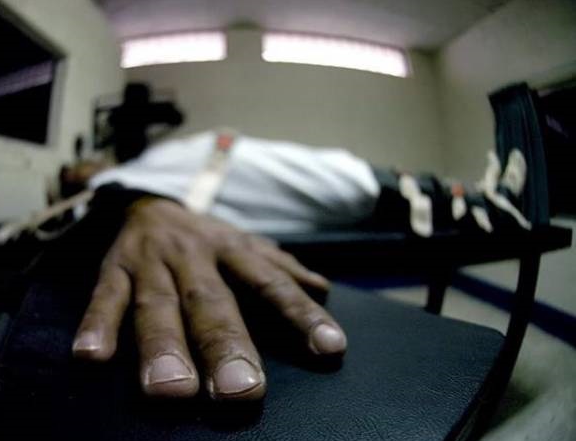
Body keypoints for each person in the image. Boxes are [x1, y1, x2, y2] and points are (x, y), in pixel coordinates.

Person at [65, 130, 530, 402]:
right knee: (353, 189)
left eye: (85, 164)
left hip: (258, 159)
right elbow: (103, 208)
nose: (83, 168)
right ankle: (473, 201)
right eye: (73, 174)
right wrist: (143, 208)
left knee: (352, 177)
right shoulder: (110, 187)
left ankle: (466, 195)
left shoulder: (146, 159)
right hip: (290, 188)